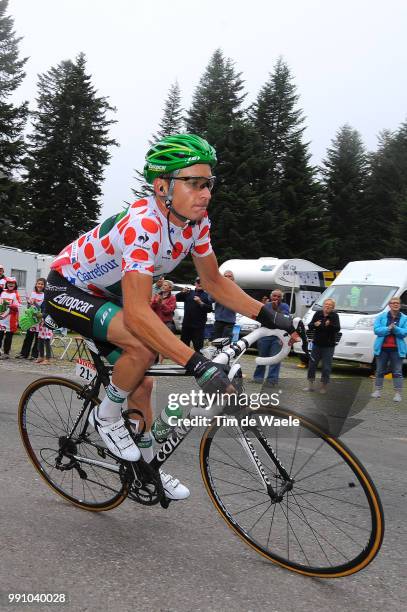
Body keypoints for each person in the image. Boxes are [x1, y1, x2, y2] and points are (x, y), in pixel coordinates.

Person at [44, 133, 301, 501]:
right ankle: (106, 415)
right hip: (68, 288)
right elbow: (136, 312)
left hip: (108, 296)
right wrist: (198, 363)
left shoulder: (196, 223)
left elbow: (213, 281)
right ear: (162, 187)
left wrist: (275, 317)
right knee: (141, 348)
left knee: (144, 383)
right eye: (195, 184)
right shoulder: (143, 224)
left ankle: (146, 470)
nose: (206, 193)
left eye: (208, 183)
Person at [371, 296, 407, 402]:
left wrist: (395, 329)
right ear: (389, 305)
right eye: (393, 303)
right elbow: (376, 330)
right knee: (379, 371)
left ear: (400, 305)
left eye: (397, 303)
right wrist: (387, 328)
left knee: (397, 372)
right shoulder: (381, 316)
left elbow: (404, 333)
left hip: (397, 349)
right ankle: (377, 391)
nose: (395, 304)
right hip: (382, 348)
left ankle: (397, 394)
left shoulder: (405, 318)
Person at [253, 289, 290, 387]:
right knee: (262, 357)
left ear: (281, 298)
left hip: (278, 336)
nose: (276, 298)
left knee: (275, 358)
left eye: (278, 296)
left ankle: (272, 380)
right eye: (274, 296)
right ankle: (258, 378)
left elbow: (284, 319)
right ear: (271, 297)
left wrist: (276, 309)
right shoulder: (265, 305)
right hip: (265, 335)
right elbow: (259, 317)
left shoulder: (285, 306)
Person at [304, 298, 341, 394]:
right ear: (323, 305)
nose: (327, 306)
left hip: (329, 346)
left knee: (326, 367)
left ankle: (323, 387)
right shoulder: (318, 314)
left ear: (333, 307)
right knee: (312, 365)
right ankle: (310, 385)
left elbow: (337, 329)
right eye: (326, 304)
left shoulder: (334, 316)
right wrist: (315, 324)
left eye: (330, 305)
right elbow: (310, 325)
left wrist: (330, 325)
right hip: (316, 344)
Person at [176, 277, 213, 352]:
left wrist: (200, 302)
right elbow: (176, 298)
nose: (200, 283)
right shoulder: (189, 292)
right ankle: (184, 362)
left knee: (198, 347)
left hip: (198, 326)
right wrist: (182, 292)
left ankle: (199, 362)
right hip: (186, 325)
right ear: (195, 283)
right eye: (198, 282)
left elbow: (209, 309)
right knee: (184, 346)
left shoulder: (207, 295)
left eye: (202, 282)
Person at [15, 277, 46, 360]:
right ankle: (24, 354)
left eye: (42, 284)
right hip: (31, 319)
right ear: (36, 284)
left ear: (44, 286)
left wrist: (35, 304)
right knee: (28, 337)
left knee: (37, 339)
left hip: (39, 320)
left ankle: (34, 355)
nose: (40, 285)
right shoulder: (32, 293)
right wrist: (29, 305)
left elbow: (43, 308)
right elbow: (29, 306)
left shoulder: (45, 295)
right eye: (38, 283)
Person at [151, 279, 176, 362]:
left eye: (165, 285)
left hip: (166, 323)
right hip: (156, 322)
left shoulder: (172, 298)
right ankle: (154, 360)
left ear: (170, 288)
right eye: (163, 285)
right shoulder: (157, 295)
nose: (163, 286)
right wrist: (155, 302)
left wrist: (162, 304)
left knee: (162, 342)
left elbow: (169, 310)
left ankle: (160, 362)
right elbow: (151, 306)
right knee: (155, 342)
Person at [210, 270, 237, 340]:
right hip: (218, 320)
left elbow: (238, 302)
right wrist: (216, 290)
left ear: (233, 279)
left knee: (225, 343)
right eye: (226, 276)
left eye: (229, 276)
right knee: (215, 341)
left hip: (229, 321)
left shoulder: (236, 289)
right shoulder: (218, 287)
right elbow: (210, 299)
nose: (227, 277)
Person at [0, 277, 21, 359]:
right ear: (6, 284)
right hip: (1, 318)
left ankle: (6, 353)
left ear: (15, 284)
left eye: (12, 283)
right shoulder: (2, 292)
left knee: (8, 337)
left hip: (10, 318)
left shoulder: (16, 294)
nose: (10, 284)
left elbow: (19, 306)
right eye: (9, 283)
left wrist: (13, 306)